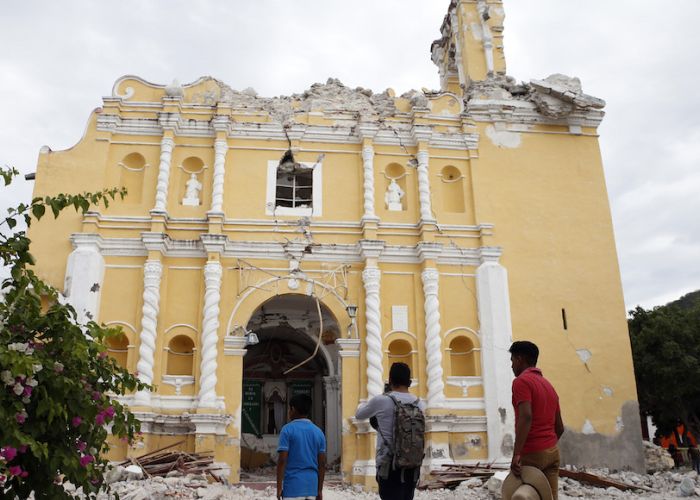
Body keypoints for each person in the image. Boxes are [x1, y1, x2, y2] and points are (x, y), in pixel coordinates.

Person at [355, 362, 426, 500]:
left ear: (390, 380)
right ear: (409, 381)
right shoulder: (419, 403)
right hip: (412, 465)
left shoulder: (381, 400)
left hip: (388, 464)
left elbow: (359, 415)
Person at [509, 341, 564, 500]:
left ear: (520, 359)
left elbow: (526, 416)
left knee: (521, 495)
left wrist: (517, 454)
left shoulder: (521, 382)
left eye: (512, 360)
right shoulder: (548, 385)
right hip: (552, 451)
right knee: (550, 497)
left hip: (532, 451)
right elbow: (560, 427)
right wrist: (548, 444)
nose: (511, 365)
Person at [276, 394, 326, 500]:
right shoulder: (319, 432)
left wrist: (279, 487)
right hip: (312, 487)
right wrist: (319, 490)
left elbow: (282, 461)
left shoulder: (287, 430)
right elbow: (321, 464)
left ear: (292, 409)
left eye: (289, 409)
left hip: (292, 487)